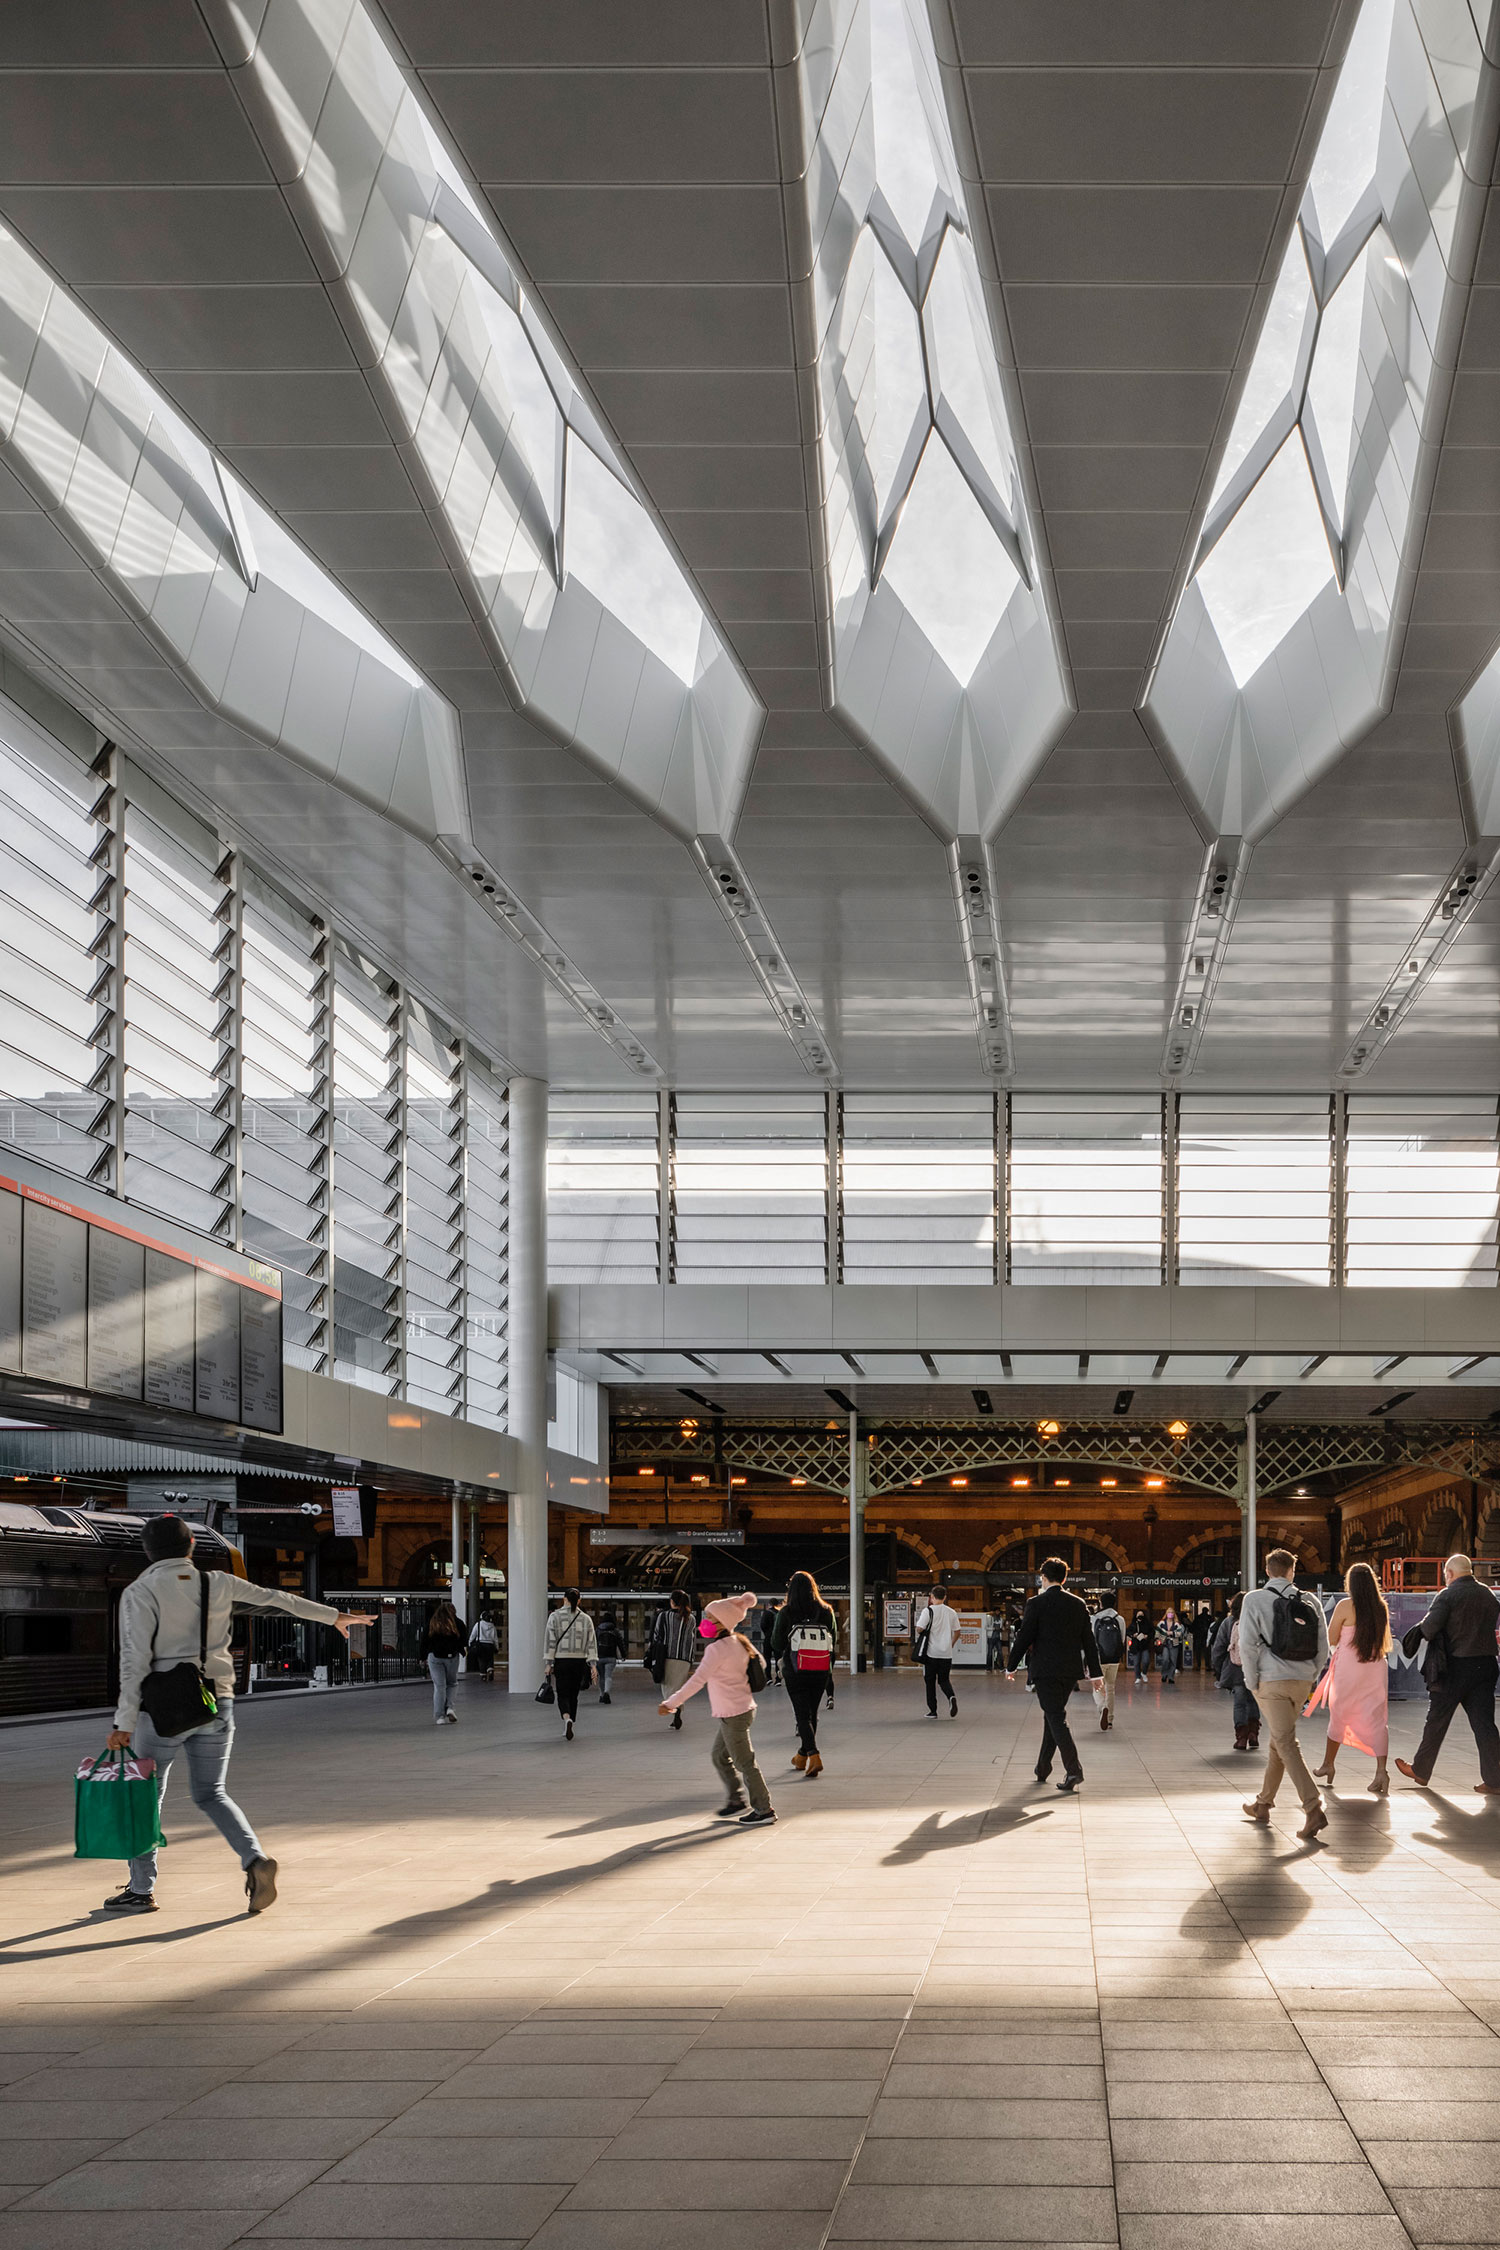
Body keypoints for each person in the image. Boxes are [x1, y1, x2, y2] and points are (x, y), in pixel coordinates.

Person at [102, 1512, 372, 1915]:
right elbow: (279, 1599)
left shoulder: (140, 1591)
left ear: (148, 1552)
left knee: (144, 1797)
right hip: (216, 1701)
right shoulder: (219, 1582)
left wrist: (123, 1722)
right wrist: (334, 1616)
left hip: (161, 1709)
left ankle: (141, 1890)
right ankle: (254, 1859)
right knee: (212, 1793)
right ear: (191, 1546)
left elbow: (134, 1660)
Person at [659, 1592, 775, 1825]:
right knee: (719, 1756)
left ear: (723, 1621)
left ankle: (764, 1810)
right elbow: (761, 1664)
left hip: (734, 1713)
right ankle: (736, 1799)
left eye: (710, 1617)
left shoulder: (717, 1649)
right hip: (740, 1710)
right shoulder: (740, 1641)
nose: (706, 1621)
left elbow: (697, 1681)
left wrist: (671, 1703)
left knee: (745, 1762)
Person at [1239, 1547, 1330, 1840]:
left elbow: (1246, 1644)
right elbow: (1323, 1646)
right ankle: (1263, 1804)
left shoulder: (1254, 1599)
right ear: (1293, 1570)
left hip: (1271, 1682)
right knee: (1279, 1741)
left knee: (1286, 1742)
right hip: (1301, 1681)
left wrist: (1252, 1681)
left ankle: (1313, 1807)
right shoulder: (1310, 1600)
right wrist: (1311, 1676)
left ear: (1267, 1571)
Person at [1395, 1553, 1500, 1796]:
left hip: (1454, 1667)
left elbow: (1430, 1629)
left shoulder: (1448, 1595)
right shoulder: (1487, 1594)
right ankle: (1494, 1781)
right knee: (1485, 1725)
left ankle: (1420, 1770)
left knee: (1437, 1719)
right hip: (1485, 1665)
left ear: (1449, 1573)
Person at [1006, 1557, 1101, 1793]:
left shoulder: (1036, 1603)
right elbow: (1088, 1641)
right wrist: (1096, 1673)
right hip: (1069, 1672)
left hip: (1045, 1671)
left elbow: (1024, 1636)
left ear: (1043, 1578)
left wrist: (1011, 1666)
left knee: (1055, 1717)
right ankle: (1043, 1768)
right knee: (1053, 1714)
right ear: (1064, 1578)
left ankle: (1074, 1770)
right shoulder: (1078, 1604)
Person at [1310, 1561, 1391, 1796]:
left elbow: (1331, 1638)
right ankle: (1381, 1772)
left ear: (1351, 1584)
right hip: (1376, 1667)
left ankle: (1328, 1764)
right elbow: (1384, 1640)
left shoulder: (1345, 1606)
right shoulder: (1381, 1607)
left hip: (1349, 1669)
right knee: (1377, 1718)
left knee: (1340, 1714)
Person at [772, 1570, 837, 1777]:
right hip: (820, 1669)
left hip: (795, 1670)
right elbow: (833, 1640)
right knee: (811, 1713)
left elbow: (776, 1642)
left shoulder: (786, 1612)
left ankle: (814, 1755)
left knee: (802, 1715)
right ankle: (801, 1757)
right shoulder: (827, 1611)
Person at [543, 1588, 598, 1742]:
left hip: (561, 1661)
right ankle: (571, 1719)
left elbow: (550, 1641)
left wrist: (549, 1663)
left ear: (564, 1599)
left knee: (562, 1692)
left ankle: (566, 1718)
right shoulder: (586, 1619)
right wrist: (593, 1665)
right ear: (579, 1600)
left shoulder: (554, 1617)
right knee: (574, 1694)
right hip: (579, 1661)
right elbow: (591, 1643)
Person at [1211, 1592, 1260, 1752]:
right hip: (1253, 1668)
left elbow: (1218, 1648)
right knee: (1253, 1701)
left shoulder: (1228, 1622)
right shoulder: (1256, 1620)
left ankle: (1241, 1738)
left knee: (1239, 1704)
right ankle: (1253, 1734)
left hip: (1235, 1669)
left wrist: (1218, 1669)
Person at [647, 1589, 700, 1729]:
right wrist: (691, 1658)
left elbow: (656, 1635)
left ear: (672, 1602)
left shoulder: (664, 1616)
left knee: (667, 1686)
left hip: (667, 1656)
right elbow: (692, 1639)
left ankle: (674, 1710)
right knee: (679, 1687)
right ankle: (677, 1712)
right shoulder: (691, 1618)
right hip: (684, 1658)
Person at [914, 1584, 960, 1717]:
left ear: (932, 1597)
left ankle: (933, 1711)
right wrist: (950, 1644)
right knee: (944, 1680)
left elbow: (919, 1628)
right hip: (946, 1654)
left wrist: (923, 1628)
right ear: (945, 1597)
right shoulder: (951, 1612)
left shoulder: (928, 1611)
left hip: (931, 1653)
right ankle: (951, 1696)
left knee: (930, 1682)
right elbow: (957, 1632)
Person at [422, 1601, 467, 1724]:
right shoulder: (458, 1623)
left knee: (439, 1686)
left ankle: (440, 1717)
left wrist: (422, 1657)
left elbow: (424, 1640)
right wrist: (460, 1649)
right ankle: (450, 1708)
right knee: (452, 1683)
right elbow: (464, 1640)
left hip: (435, 1657)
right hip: (452, 1657)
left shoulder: (432, 1622)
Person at [1091, 1596, 1125, 1729]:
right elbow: (1122, 1639)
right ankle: (1110, 1719)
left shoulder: (1094, 1619)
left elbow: (1091, 1639)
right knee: (1110, 1687)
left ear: (1101, 1603)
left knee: (1097, 1687)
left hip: (1099, 1657)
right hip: (1114, 1659)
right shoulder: (1119, 1619)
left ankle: (1102, 1706)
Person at [595, 1605, 624, 1703]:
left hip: (599, 1656)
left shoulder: (598, 1630)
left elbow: (593, 1642)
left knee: (601, 1676)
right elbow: (620, 1643)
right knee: (608, 1675)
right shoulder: (615, 1630)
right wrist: (623, 1654)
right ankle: (607, 1692)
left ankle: (601, 1695)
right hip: (611, 1656)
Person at [466, 1609, 497, 1682]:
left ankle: (483, 1675)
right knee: (490, 1659)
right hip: (490, 1644)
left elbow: (473, 1634)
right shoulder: (492, 1626)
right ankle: (490, 1669)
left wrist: (470, 1642)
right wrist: (496, 1647)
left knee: (482, 1660)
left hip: (481, 1644)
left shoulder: (478, 1624)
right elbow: (495, 1638)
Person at [1156, 1606, 1184, 1686]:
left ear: (1174, 1614)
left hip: (1174, 1643)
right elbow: (1157, 1632)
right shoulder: (1161, 1623)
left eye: (1172, 1613)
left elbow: (1180, 1633)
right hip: (1164, 1643)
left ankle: (1171, 1677)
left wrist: (1172, 1633)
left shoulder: (1177, 1624)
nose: (1170, 1614)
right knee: (1165, 1659)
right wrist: (1158, 1639)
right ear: (1166, 1614)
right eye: (1169, 1612)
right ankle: (1164, 1674)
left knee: (1173, 1660)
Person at [1127, 1609, 1151, 1685]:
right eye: (1138, 1615)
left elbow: (1152, 1632)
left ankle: (1144, 1673)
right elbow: (1128, 1631)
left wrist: (1147, 1636)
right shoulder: (1133, 1624)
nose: (1140, 1616)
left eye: (1141, 1615)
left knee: (1146, 1660)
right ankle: (1138, 1677)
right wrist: (1133, 1635)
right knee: (1136, 1663)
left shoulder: (1147, 1624)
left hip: (1145, 1645)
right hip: (1136, 1646)